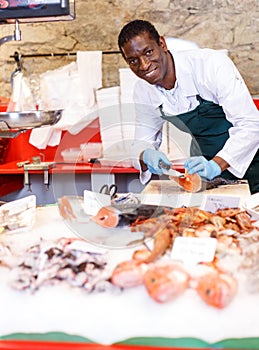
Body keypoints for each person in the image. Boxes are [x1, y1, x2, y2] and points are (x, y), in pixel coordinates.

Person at [118, 19, 259, 194]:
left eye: (148, 52)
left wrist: (216, 165)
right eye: (133, 61)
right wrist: (145, 155)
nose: (144, 65)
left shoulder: (210, 66)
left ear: (162, 43)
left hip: (253, 162)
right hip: (205, 170)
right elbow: (141, 141)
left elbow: (251, 124)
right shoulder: (144, 90)